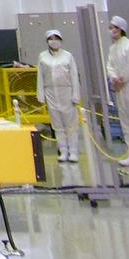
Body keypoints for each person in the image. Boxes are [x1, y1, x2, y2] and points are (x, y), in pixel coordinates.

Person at [36, 30, 80, 162]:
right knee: (57, 125)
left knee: (71, 124)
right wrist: (41, 95)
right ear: (47, 41)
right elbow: (40, 77)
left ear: (60, 40)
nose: (54, 41)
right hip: (51, 93)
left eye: (56, 38)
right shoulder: (43, 57)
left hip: (66, 92)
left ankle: (73, 151)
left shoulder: (68, 56)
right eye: (51, 38)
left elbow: (74, 76)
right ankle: (63, 151)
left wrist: (75, 95)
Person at [106, 15, 129, 167]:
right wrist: (114, 78)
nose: (112, 30)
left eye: (115, 27)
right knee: (126, 122)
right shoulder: (113, 48)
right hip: (120, 89)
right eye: (111, 27)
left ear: (121, 29)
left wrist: (122, 79)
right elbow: (109, 66)